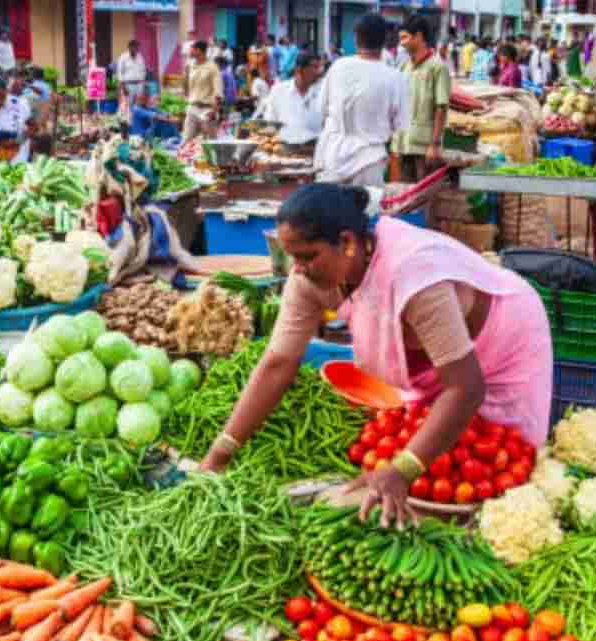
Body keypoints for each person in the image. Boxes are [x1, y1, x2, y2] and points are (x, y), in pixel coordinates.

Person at [198, 184, 553, 528]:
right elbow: (278, 364)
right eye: (292, 257)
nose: (298, 269)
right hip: (435, 362)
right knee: (440, 453)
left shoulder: (412, 273)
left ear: (348, 243)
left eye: (308, 256)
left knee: (500, 463)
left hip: (502, 340)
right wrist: (221, 452)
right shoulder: (308, 279)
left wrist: (402, 470)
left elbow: (465, 388)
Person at [313, 13, 408, 186]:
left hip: (332, 157)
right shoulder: (396, 78)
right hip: (369, 162)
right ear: (385, 40)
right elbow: (400, 126)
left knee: (327, 211)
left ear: (356, 39)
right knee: (364, 212)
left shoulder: (338, 67)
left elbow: (321, 109)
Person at [392, 15, 450, 183]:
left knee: (423, 197)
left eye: (405, 38)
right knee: (405, 195)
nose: (401, 43)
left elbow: (441, 107)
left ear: (418, 36)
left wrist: (435, 144)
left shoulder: (437, 67)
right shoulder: (405, 67)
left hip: (425, 147)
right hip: (404, 143)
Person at [255, 51, 322, 144]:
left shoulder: (322, 92)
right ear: (299, 69)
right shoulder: (278, 91)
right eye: (315, 67)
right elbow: (270, 123)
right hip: (285, 152)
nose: (319, 72)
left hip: (316, 152)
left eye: (319, 67)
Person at [182, 41, 222, 142]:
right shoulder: (190, 66)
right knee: (186, 140)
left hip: (207, 110)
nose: (190, 52)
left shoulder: (212, 67)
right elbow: (186, 89)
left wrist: (214, 111)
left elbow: (218, 90)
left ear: (199, 51)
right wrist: (185, 74)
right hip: (192, 107)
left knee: (210, 143)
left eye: (192, 49)